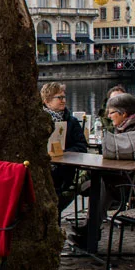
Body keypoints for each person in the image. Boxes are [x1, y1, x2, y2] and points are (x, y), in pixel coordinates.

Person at [41, 82, 88, 212]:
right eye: (59, 98)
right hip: (42, 168)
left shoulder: (71, 121)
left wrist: (64, 153)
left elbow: (82, 146)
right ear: (47, 101)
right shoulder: (38, 121)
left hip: (63, 170)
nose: (63, 101)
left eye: (64, 97)